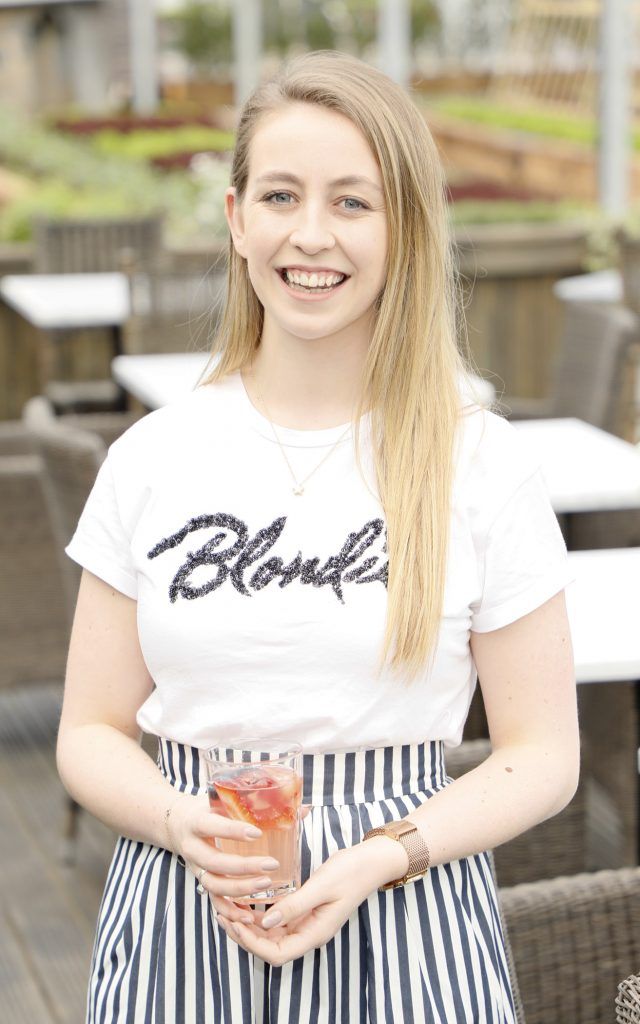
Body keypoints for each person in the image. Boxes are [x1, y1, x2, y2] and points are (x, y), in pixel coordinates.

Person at [58, 49, 579, 1024]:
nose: (310, 235)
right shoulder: (152, 457)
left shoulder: (482, 463)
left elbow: (542, 753)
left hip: (407, 914)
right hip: (184, 910)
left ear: (404, 229)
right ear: (235, 218)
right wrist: (183, 820)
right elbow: (88, 729)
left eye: (352, 202)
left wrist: (386, 854)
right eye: (281, 195)